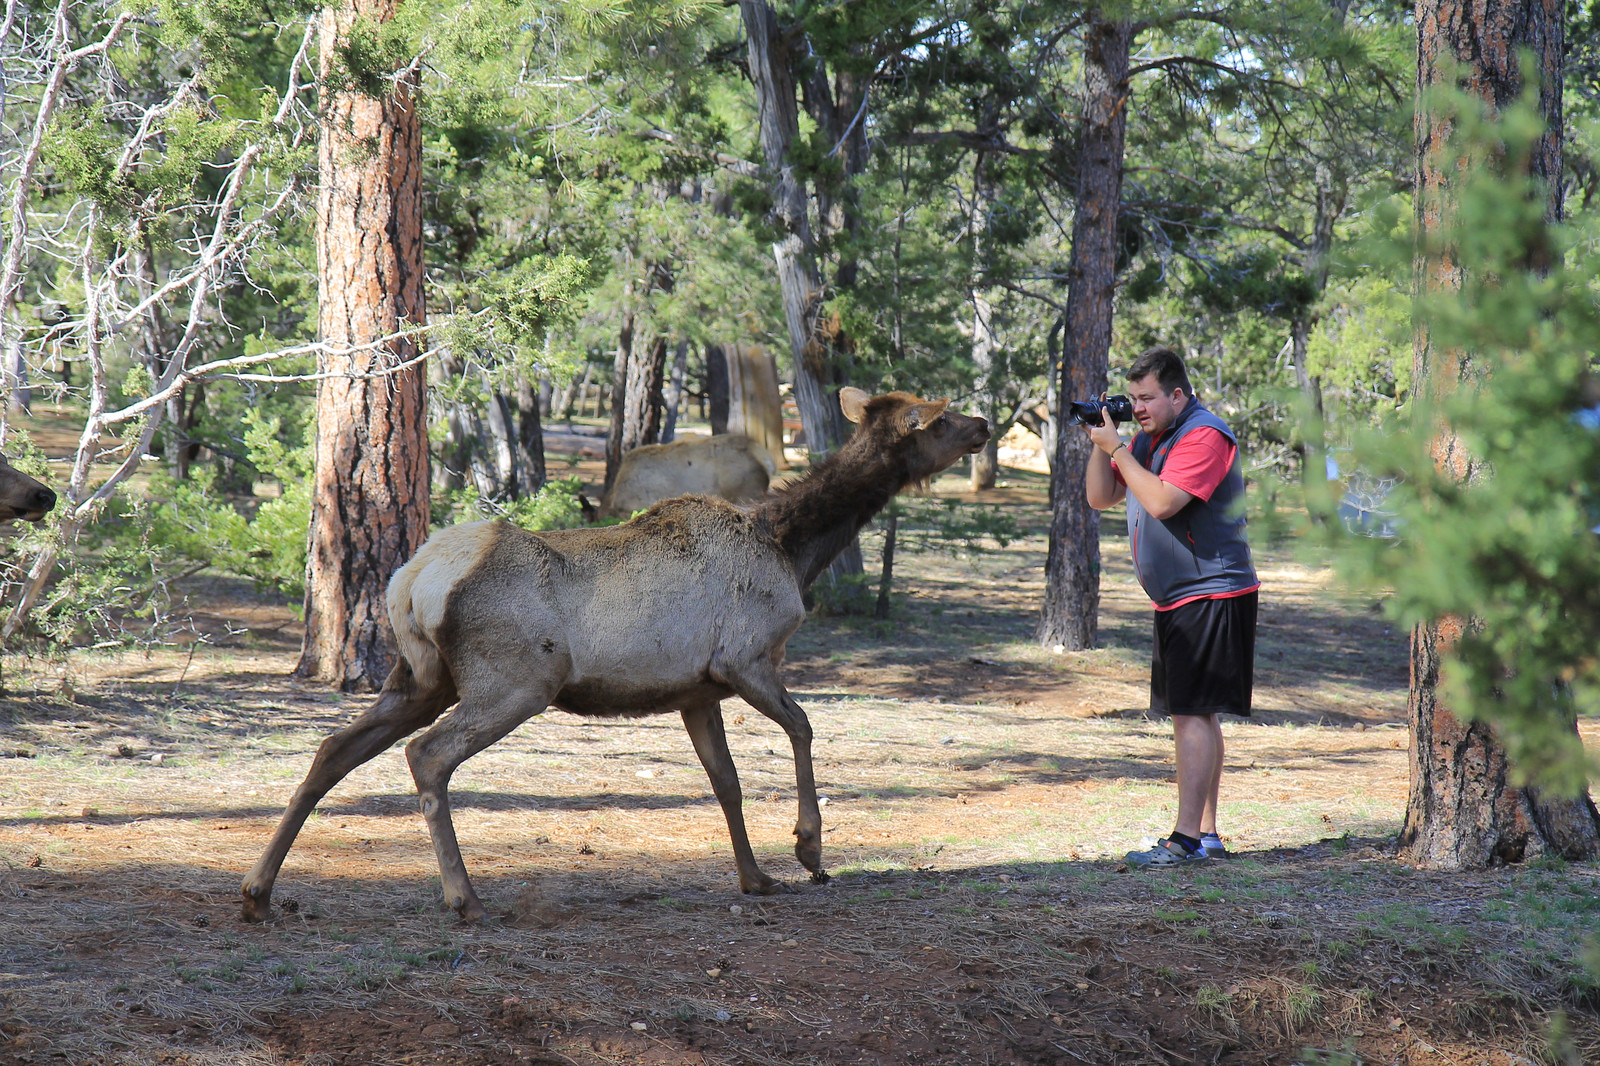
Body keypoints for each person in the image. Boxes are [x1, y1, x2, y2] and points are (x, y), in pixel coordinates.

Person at [1083, 346, 1259, 867]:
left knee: (1189, 715)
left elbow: (1161, 502)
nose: (1138, 408)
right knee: (1197, 714)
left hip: (1211, 591)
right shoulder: (1148, 439)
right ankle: (1204, 835)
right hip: (1182, 597)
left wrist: (1119, 450)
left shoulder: (1203, 435)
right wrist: (1103, 438)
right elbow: (1099, 497)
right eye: (1132, 399)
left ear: (1177, 394)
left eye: (1148, 398)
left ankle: (1184, 841)